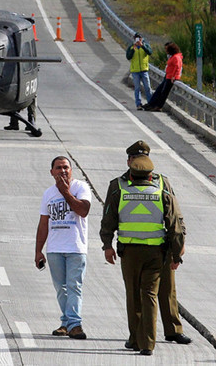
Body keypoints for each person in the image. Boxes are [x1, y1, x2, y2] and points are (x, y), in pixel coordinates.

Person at [99, 143, 184, 356]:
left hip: (132, 252)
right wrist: (177, 251)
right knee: (149, 296)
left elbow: (108, 219)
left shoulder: (118, 186)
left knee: (135, 296)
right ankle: (145, 343)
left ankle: (140, 340)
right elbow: (174, 221)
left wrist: (107, 245)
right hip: (155, 251)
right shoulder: (161, 186)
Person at [119, 142, 192, 346]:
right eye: (134, 158)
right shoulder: (122, 183)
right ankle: (139, 336)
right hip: (134, 247)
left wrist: (180, 242)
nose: (138, 162)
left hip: (163, 245)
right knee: (138, 295)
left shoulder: (162, 182)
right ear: (128, 161)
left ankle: (173, 330)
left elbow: (175, 215)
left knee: (167, 290)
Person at [35, 156, 91, 340]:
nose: (63, 171)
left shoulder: (80, 188)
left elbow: (83, 210)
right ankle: (66, 323)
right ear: (52, 172)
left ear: (72, 170)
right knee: (61, 288)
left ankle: (75, 324)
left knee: (74, 286)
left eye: (66, 167)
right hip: (55, 248)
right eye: (58, 168)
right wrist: (38, 250)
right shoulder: (48, 194)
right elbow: (44, 223)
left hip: (76, 247)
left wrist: (66, 192)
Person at [142, 42, 183, 112]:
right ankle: (151, 104)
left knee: (164, 93)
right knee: (159, 91)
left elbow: (178, 67)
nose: (166, 51)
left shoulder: (176, 57)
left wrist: (174, 76)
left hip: (171, 78)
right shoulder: (173, 57)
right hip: (168, 76)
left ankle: (158, 106)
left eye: (167, 50)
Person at [126, 33, 153, 110]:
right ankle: (138, 104)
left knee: (147, 87)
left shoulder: (145, 45)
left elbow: (150, 52)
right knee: (137, 88)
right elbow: (128, 57)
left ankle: (150, 103)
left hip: (144, 70)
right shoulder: (131, 46)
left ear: (142, 39)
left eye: (139, 38)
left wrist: (142, 46)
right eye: (137, 38)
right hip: (135, 70)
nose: (138, 40)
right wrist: (133, 49)